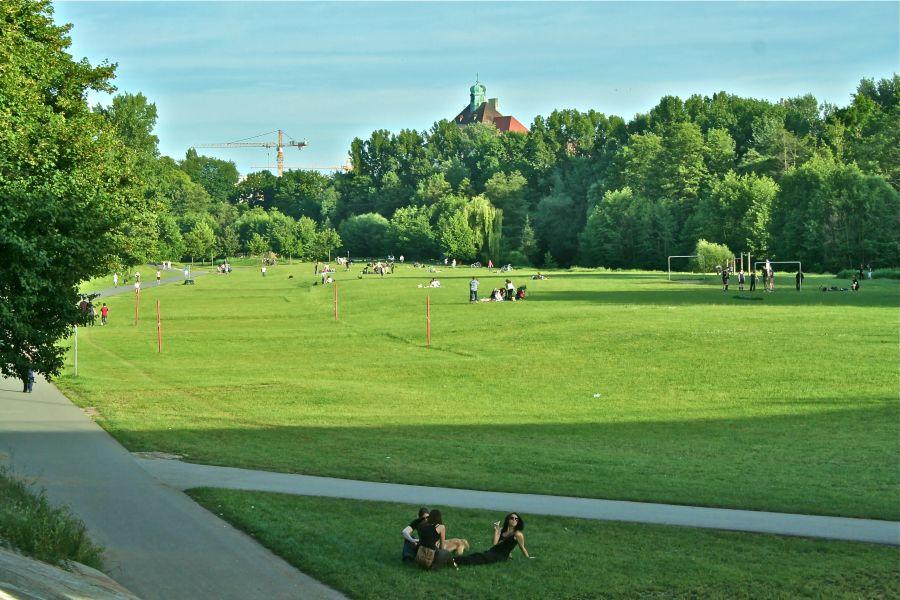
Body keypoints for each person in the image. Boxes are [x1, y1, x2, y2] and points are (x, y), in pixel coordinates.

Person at [454, 513, 533, 566]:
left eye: (516, 519)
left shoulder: (518, 534)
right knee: (477, 555)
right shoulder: (502, 530)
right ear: (508, 519)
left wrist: (528, 557)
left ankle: (457, 562)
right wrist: (496, 531)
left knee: (481, 558)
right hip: (493, 551)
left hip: (501, 556)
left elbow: (522, 547)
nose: (514, 520)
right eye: (512, 518)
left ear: (518, 522)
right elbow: (494, 543)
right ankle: (455, 560)